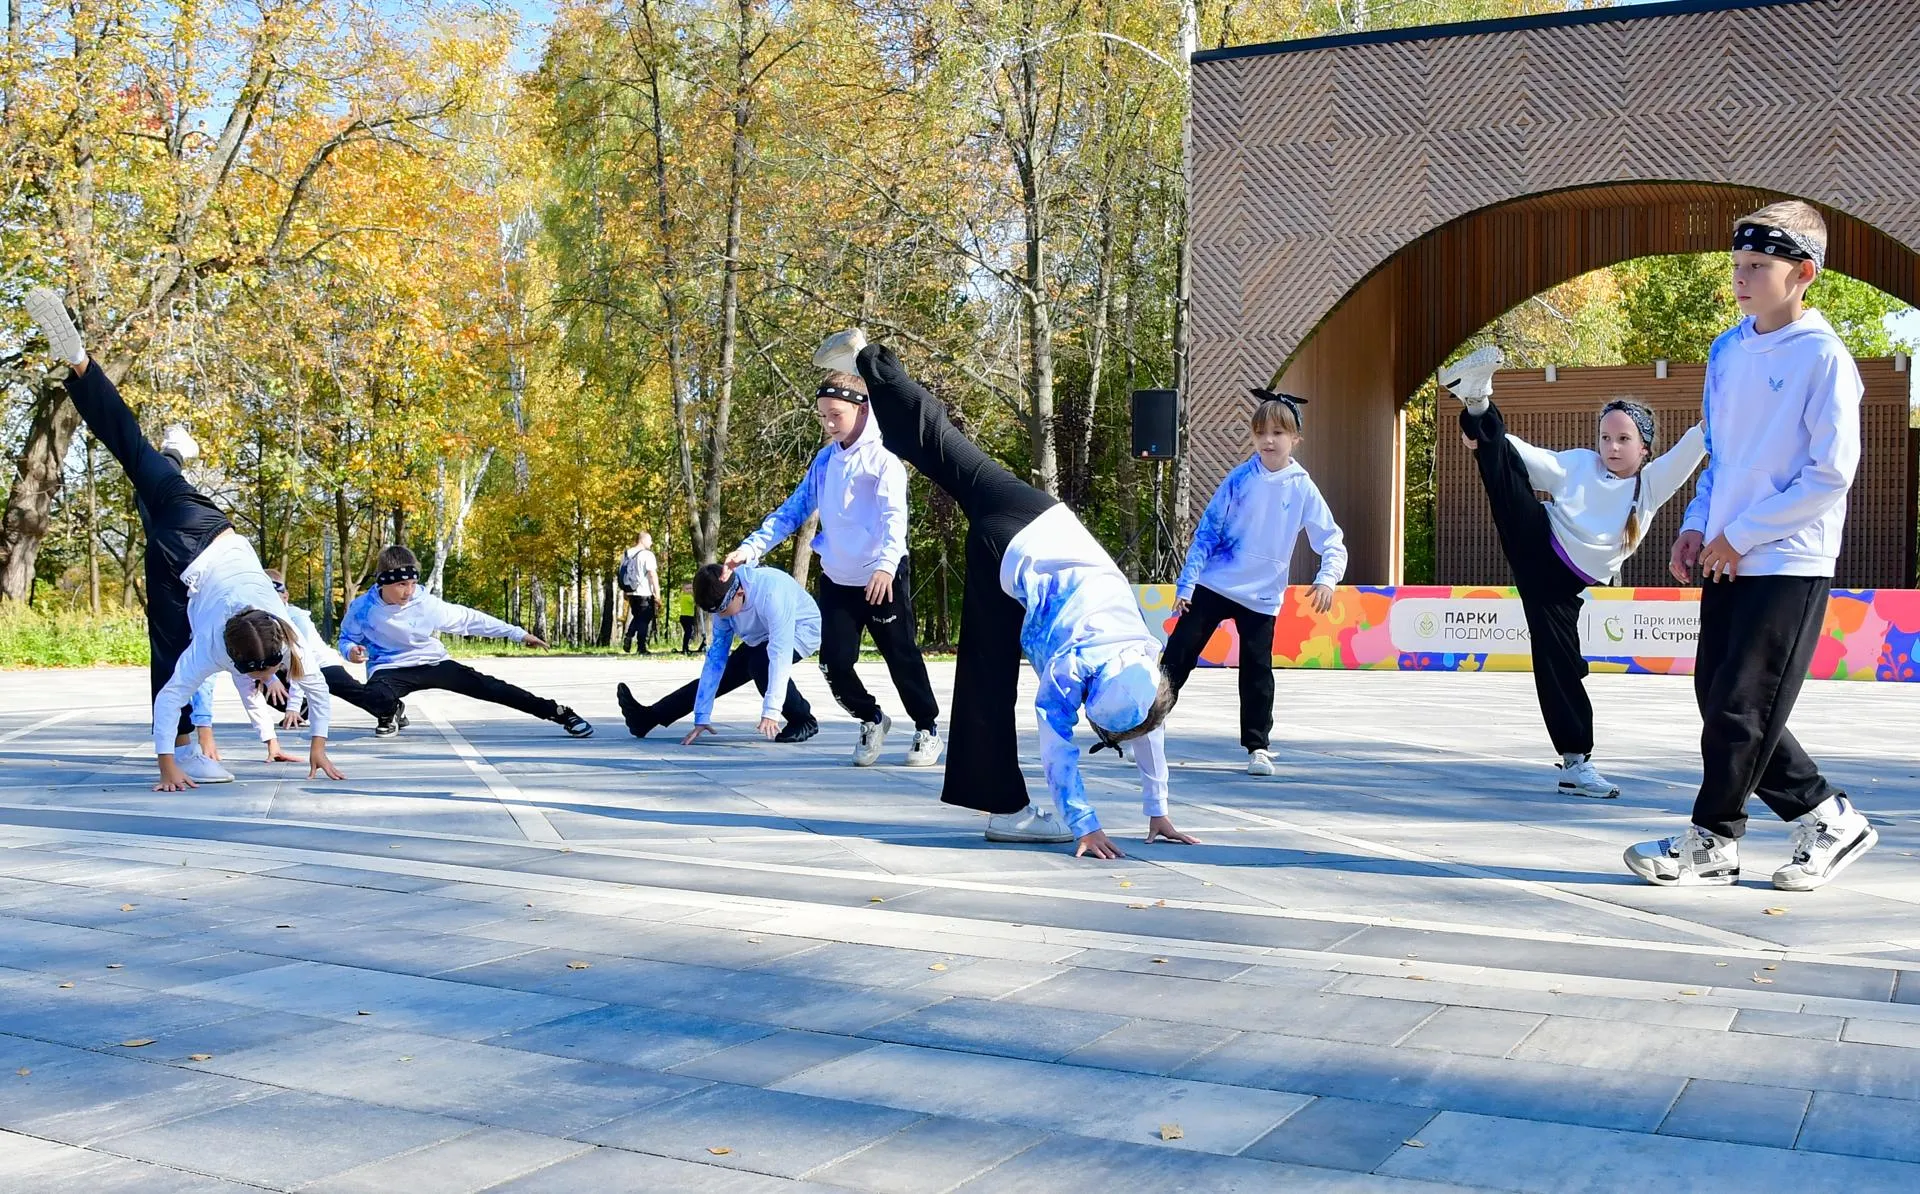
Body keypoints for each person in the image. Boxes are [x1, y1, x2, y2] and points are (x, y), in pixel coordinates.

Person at [821, 328, 1196, 859]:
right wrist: (1084, 825)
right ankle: (1007, 811)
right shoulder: (1073, 674)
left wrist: (1158, 810)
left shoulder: (1142, 659)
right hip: (1007, 562)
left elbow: (1148, 721)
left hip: (1038, 516)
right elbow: (1058, 751)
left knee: (945, 447)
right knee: (986, 676)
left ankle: (867, 360)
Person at [1624, 201, 1874, 891]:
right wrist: (1698, 526)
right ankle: (1827, 816)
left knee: (1741, 707)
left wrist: (1743, 535)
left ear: (1804, 274)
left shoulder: (1824, 357)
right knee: (1722, 699)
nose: (1741, 278)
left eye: (1758, 266)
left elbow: (1830, 474)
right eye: (1736, 265)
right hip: (1725, 550)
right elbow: (1723, 456)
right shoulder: (1727, 350)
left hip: (1789, 558)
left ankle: (1713, 840)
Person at [24, 288, 342, 792]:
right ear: (231, 656)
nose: (263, 682)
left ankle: (87, 369)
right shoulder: (213, 646)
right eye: (257, 676)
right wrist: (166, 765)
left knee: (133, 452)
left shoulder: (284, 634)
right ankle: (189, 747)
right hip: (179, 560)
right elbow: (174, 692)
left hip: (205, 519)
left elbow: (319, 691)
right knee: (168, 646)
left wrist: (319, 747)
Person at [1441, 345, 1707, 800]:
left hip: (1560, 589)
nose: (1612, 447)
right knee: (1502, 466)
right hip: (1536, 540)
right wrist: (1488, 438)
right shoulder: (1579, 465)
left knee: (1560, 665)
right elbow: (1525, 456)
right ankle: (1477, 401)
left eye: (1623, 439)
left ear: (1644, 448)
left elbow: (1694, 443)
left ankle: (1575, 765)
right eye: (1606, 437)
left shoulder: (1650, 486)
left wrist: (1731, 400)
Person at [726, 371, 943, 768]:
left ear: (862, 409)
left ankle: (927, 727)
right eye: (823, 415)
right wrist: (749, 548)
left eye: (835, 415)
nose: (828, 424)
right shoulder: (825, 461)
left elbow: (896, 519)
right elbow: (792, 511)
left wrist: (886, 566)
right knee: (834, 663)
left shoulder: (884, 460)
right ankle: (871, 718)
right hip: (838, 579)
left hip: (882, 576)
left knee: (901, 655)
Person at [1161, 388, 1347, 778]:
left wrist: (1327, 578)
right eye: (1260, 431)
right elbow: (1207, 533)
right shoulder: (1239, 479)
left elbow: (1331, 540)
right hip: (1214, 584)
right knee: (1177, 654)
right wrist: (1186, 585)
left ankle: (1258, 747)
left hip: (1261, 596)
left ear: (1295, 438)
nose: (1268, 440)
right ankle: (1143, 723)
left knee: (1257, 670)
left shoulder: (1302, 488)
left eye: (1278, 433)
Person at [337, 545, 591, 738]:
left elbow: (471, 620)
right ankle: (390, 711)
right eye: (402, 585)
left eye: (413, 583)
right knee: (373, 696)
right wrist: (352, 652)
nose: (409, 591)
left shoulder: (425, 603)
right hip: (390, 668)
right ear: (384, 581)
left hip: (433, 663)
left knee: (492, 688)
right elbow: (347, 639)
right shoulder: (363, 608)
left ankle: (559, 713)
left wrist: (518, 634)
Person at [616, 562, 820, 744]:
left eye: (722, 610)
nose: (720, 618)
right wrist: (702, 716)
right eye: (715, 613)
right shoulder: (723, 598)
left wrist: (772, 710)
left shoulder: (771, 593)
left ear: (739, 592)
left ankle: (803, 720)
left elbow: (779, 654)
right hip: (761, 636)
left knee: (761, 663)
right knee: (726, 673)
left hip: (800, 629)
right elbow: (715, 662)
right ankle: (647, 718)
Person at [619, 531, 660, 654]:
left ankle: (629, 635)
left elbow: (622, 572)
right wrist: (657, 593)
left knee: (637, 616)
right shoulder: (647, 555)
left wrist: (625, 590)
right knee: (644, 619)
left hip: (631, 591)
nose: (651, 543)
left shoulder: (627, 553)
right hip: (644, 591)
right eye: (650, 540)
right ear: (642, 540)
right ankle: (641, 647)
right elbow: (652, 574)